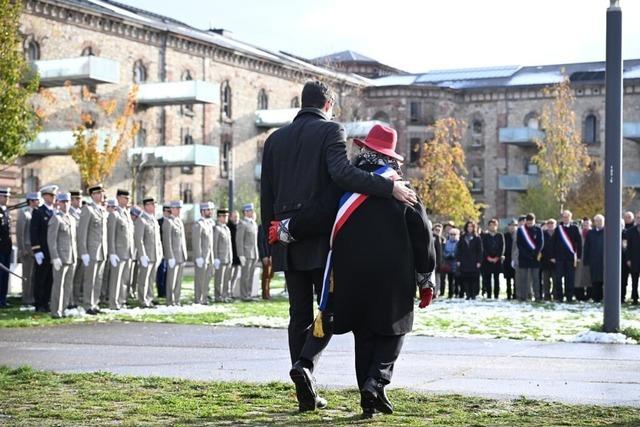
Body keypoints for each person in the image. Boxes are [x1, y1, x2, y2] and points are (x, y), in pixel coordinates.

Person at [260, 81, 416, 412]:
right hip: (319, 238)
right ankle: (307, 365)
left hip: (284, 238)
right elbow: (343, 175)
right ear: (328, 104)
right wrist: (388, 188)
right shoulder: (331, 131)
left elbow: (267, 196)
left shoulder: (275, 139)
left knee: (297, 314)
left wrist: (269, 244)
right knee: (328, 308)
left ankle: (303, 381)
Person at [78, 184, 108, 315]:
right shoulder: (87, 210)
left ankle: (95, 303)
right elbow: (82, 233)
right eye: (98, 193)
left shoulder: (102, 210)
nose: (101, 196)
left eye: (102, 193)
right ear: (92, 195)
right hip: (91, 250)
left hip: (101, 250)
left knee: (98, 279)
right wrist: (83, 251)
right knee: (90, 279)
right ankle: (87, 304)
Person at [47, 193, 77, 318]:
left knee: (68, 285)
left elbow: (74, 240)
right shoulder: (56, 218)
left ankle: (63, 309)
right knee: (58, 285)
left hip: (71, 257)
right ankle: (56, 310)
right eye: (63, 202)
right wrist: (55, 257)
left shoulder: (72, 218)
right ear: (58, 203)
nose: (66, 204)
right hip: (61, 257)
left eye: (68, 202)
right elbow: (51, 240)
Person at [31, 185, 58, 313]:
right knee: (40, 278)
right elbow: (34, 233)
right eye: (52, 195)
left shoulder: (55, 212)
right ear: (45, 196)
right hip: (43, 250)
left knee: (50, 279)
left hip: (53, 251)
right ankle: (39, 303)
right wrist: (37, 250)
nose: (54, 198)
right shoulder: (38, 212)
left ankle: (46, 302)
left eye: (54, 196)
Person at [107, 189, 134, 310]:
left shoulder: (127, 214)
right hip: (118, 252)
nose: (127, 200)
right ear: (118, 198)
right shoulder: (114, 214)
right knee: (116, 280)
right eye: (125, 197)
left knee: (124, 279)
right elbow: (111, 235)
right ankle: (114, 302)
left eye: (128, 198)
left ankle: (122, 301)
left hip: (127, 252)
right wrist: (112, 252)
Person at [134, 197, 163, 308]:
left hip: (154, 254)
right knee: (143, 279)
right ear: (146, 206)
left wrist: (160, 253)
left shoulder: (154, 220)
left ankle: (149, 298)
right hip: (146, 255)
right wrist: (142, 255)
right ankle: (143, 300)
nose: (154, 206)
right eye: (152, 204)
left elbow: (158, 240)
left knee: (151, 279)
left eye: (155, 204)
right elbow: (139, 239)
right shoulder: (142, 220)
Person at [551, 210, 582, 303]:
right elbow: (553, 243)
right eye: (564, 217)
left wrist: (579, 256)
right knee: (558, 279)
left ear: (570, 218)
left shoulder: (575, 228)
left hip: (570, 258)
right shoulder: (558, 229)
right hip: (559, 258)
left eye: (567, 217)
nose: (565, 219)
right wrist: (553, 256)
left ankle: (569, 297)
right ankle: (559, 297)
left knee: (570, 278)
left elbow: (579, 243)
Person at [16, 192, 40, 308]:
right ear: (31, 201)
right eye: (36, 200)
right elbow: (20, 232)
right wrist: (22, 248)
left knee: (34, 275)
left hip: (35, 249)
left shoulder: (36, 212)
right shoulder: (24, 212)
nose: (38, 202)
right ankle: (26, 299)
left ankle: (32, 297)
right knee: (27, 276)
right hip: (27, 248)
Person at [163, 200, 187, 306]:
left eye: (180, 209)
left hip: (181, 255)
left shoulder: (179, 221)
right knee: (171, 280)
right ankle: (170, 301)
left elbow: (182, 240)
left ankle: (177, 300)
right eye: (177, 208)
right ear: (172, 209)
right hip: (173, 256)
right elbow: (167, 241)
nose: (179, 211)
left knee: (178, 280)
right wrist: (170, 256)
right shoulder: (168, 222)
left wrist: (184, 254)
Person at [515, 213, 544, 302]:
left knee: (536, 278)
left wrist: (535, 254)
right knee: (523, 279)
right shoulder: (521, 230)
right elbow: (519, 244)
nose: (530, 225)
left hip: (535, 258)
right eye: (528, 223)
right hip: (524, 258)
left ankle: (537, 297)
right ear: (525, 222)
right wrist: (527, 255)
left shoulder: (538, 229)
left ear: (534, 221)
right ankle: (524, 297)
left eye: (531, 223)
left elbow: (541, 243)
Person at [193, 202, 215, 305]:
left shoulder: (209, 224)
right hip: (202, 257)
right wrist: (198, 256)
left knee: (207, 279)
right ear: (202, 211)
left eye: (211, 210)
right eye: (208, 210)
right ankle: (198, 299)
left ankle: (204, 298)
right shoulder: (199, 224)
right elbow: (196, 242)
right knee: (200, 280)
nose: (210, 212)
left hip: (209, 256)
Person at [236, 203, 259, 301]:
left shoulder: (253, 223)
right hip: (246, 253)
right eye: (250, 210)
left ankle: (249, 294)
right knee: (245, 275)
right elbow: (239, 240)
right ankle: (244, 295)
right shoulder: (242, 224)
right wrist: (240, 254)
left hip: (254, 253)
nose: (252, 212)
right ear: (245, 212)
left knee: (250, 276)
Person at [456, 221, 483, 300]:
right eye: (468, 226)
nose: (470, 228)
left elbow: (480, 251)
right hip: (464, 261)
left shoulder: (477, 238)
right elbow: (459, 250)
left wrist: (479, 261)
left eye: (471, 226)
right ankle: (467, 294)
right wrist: (458, 260)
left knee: (474, 279)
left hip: (474, 261)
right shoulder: (462, 237)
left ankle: (473, 294)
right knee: (465, 278)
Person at [480, 219, 504, 299]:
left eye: (494, 225)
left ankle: (496, 295)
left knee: (496, 279)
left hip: (497, 260)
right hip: (487, 261)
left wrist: (497, 257)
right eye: (490, 225)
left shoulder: (500, 235)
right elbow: (483, 248)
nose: (492, 227)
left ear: (496, 226)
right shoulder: (485, 236)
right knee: (487, 278)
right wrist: (488, 257)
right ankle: (489, 294)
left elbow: (502, 247)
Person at [213, 208, 233, 302]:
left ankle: (225, 295)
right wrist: (216, 257)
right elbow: (215, 244)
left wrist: (231, 256)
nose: (226, 218)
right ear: (219, 217)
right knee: (219, 279)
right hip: (220, 257)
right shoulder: (217, 229)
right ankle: (218, 296)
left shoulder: (226, 228)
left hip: (228, 257)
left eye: (227, 216)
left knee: (226, 279)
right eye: (224, 216)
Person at [584, 215, 605, 303]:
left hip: (605, 261)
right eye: (597, 221)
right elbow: (587, 247)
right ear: (594, 222)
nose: (599, 222)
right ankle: (597, 298)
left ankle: (606, 298)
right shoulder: (590, 233)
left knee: (606, 280)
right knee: (595, 281)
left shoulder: (608, 232)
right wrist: (586, 260)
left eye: (600, 220)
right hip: (594, 261)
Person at [69, 190, 83, 308]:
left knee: (78, 278)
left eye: (80, 198)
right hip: (72, 250)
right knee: (71, 278)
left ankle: (76, 299)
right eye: (77, 199)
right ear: (72, 200)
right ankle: (69, 300)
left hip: (81, 250)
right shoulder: (69, 213)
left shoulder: (82, 213)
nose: (80, 201)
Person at [624, 210, 640, 305]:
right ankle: (634, 298)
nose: (639, 220)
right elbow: (626, 247)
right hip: (634, 260)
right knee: (634, 281)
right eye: (638, 218)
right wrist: (628, 259)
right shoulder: (629, 232)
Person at [574, 217, 592, 301]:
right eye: (584, 225)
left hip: (590, 258)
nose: (585, 226)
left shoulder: (593, 233)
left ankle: (589, 295)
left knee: (589, 277)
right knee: (579, 277)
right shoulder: (579, 233)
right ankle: (579, 295)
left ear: (590, 225)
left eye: (587, 224)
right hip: (580, 258)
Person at [155, 203, 171, 299]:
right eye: (167, 211)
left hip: (170, 251)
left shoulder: (173, 222)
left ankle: (167, 291)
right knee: (161, 272)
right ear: (164, 211)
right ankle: (161, 292)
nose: (169, 213)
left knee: (168, 272)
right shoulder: (159, 222)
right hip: (162, 250)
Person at [540, 219, 557, 301]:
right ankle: (546, 296)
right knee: (546, 281)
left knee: (556, 280)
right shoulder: (543, 234)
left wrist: (555, 258)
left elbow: (560, 247)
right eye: (549, 224)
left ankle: (555, 294)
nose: (550, 225)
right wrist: (549, 258)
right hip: (545, 261)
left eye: (552, 224)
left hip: (556, 261)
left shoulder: (558, 234)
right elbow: (542, 248)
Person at [0, 187, 11, 308]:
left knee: (5, 276)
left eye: (8, 197)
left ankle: (3, 299)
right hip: (0, 248)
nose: (7, 199)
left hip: (6, 248)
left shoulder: (6, 211)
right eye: (5, 197)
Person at [442, 227, 460, 298]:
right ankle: (450, 294)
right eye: (451, 234)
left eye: (454, 234)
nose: (452, 235)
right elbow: (444, 251)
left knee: (457, 280)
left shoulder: (459, 242)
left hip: (456, 263)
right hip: (448, 263)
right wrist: (448, 255)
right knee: (450, 280)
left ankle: (457, 293)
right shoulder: (446, 242)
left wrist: (453, 254)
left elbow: (459, 252)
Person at [227, 210, 242, 299]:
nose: (236, 218)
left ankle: (231, 292)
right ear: (231, 217)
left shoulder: (240, 226)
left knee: (235, 276)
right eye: (234, 216)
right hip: (231, 255)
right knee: (229, 276)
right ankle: (227, 292)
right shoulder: (228, 227)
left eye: (237, 216)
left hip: (238, 255)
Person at [258, 222, 273, 300]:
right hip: (266, 255)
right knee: (266, 275)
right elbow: (261, 242)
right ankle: (265, 293)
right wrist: (264, 256)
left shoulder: (272, 226)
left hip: (272, 255)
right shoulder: (261, 227)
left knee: (270, 275)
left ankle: (268, 292)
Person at [621, 211, 634, 303]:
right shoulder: (621, 230)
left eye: (629, 217)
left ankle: (634, 297)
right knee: (623, 280)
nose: (627, 219)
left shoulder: (634, 229)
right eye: (626, 217)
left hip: (632, 258)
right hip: (622, 259)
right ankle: (622, 297)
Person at [503, 219, 517, 300]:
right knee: (508, 279)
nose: (512, 227)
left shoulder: (519, 235)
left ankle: (515, 294)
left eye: (514, 226)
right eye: (511, 226)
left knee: (516, 279)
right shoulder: (505, 236)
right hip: (507, 259)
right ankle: (508, 294)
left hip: (515, 259)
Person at [432, 223, 445, 297]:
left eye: (439, 230)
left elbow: (440, 252)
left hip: (439, 262)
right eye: (436, 230)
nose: (438, 231)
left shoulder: (442, 239)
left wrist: (439, 263)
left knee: (438, 278)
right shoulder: (431, 237)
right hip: (432, 261)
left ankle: (436, 292)